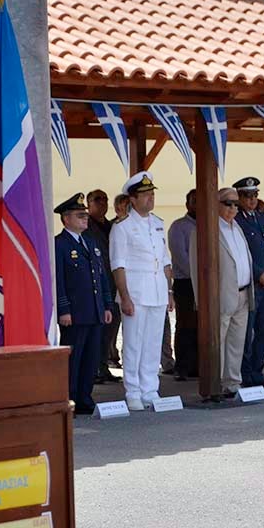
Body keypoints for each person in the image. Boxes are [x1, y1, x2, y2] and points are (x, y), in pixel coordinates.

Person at [109, 171, 174, 410]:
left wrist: (169, 291)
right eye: (145, 195)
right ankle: (133, 391)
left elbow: (165, 261)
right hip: (135, 292)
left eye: (152, 194)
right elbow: (118, 264)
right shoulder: (122, 227)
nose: (150, 198)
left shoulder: (158, 223)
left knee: (153, 342)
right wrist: (125, 296)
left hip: (157, 291)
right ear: (133, 199)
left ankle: (150, 389)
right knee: (134, 343)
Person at [192, 188, 255, 397]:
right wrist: (201, 300)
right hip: (220, 296)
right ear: (216, 204)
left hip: (243, 293)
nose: (233, 208)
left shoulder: (236, 226)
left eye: (236, 204)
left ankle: (232, 383)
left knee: (236, 342)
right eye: (228, 203)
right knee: (217, 342)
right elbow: (196, 267)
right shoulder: (206, 229)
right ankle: (214, 384)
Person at [54, 193, 113, 415]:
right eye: (80, 216)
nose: (85, 219)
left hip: (95, 310)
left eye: (85, 215)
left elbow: (101, 275)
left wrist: (107, 304)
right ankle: (69, 399)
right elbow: (58, 280)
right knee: (73, 359)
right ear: (66, 219)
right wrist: (64, 309)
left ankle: (85, 398)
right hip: (75, 313)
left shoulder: (90, 242)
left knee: (90, 358)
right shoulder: (60, 244)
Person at [233, 176, 264, 389]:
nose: (251, 200)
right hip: (253, 284)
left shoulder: (263, 218)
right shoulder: (237, 221)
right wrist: (260, 274)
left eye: (254, 195)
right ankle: (244, 374)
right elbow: (242, 254)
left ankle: (257, 372)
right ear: (239, 197)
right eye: (246, 195)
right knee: (247, 331)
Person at [87, 188, 121, 381]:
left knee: (110, 329)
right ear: (88, 205)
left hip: (114, 284)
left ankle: (103, 367)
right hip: (97, 285)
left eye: (105, 199)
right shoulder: (86, 227)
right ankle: (93, 370)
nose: (102, 203)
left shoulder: (112, 226)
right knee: (97, 330)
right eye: (97, 200)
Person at [168, 190, 198, 380]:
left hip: (207, 283)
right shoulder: (179, 227)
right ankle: (183, 367)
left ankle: (199, 365)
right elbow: (180, 258)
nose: (198, 205)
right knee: (186, 325)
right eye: (194, 201)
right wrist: (198, 277)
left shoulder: (210, 223)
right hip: (186, 283)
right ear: (187, 204)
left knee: (203, 326)